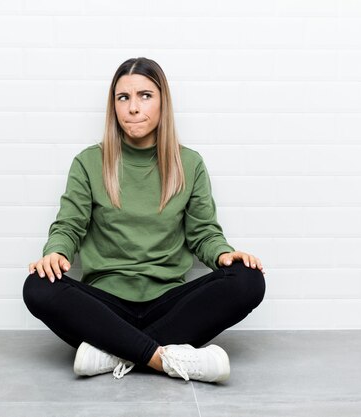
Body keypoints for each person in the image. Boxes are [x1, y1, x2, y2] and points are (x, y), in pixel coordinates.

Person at [22, 57, 266, 383]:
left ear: (163, 101)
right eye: (124, 98)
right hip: (107, 306)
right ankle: (163, 357)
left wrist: (224, 254)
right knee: (37, 286)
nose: (133, 108)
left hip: (168, 304)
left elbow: (203, 233)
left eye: (145, 96)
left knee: (249, 279)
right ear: (114, 106)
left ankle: (112, 351)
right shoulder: (89, 162)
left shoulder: (189, 164)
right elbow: (69, 225)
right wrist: (56, 253)